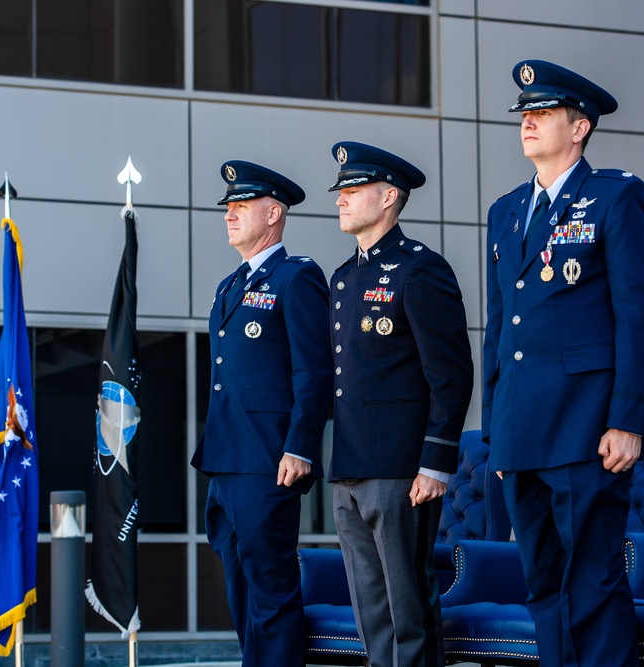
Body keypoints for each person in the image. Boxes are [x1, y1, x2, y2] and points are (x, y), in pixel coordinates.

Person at [482, 60, 644, 667]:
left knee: (592, 583)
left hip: (588, 427)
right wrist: (497, 435)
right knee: (542, 587)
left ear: (580, 126)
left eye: (543, 114)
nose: (528, 123)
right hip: (522, 430)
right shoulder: (506, 211)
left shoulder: (615, 196)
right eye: (524, 115)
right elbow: (498, 329)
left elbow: (640, 314)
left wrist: (631, 419)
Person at [326, 141, 474, 667]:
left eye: (353, 189)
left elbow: (451, 375)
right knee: (372, 616)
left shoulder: (420, 270)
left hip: (401, 471)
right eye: (340, 190)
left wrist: (435, 463)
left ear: (389, 196)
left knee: (408, 613)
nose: (340, 199)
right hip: (349, 470)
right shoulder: (342, 279)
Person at [191, 160, 333, 667]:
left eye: (240, 206)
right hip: (226, 461)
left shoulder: (297, 278)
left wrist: (300, 444)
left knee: (271, 592)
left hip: (270, 460)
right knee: (240, 592)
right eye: (227, 207)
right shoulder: (229, 286)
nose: (229, 215)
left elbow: (315, 373)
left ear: (273, 213)